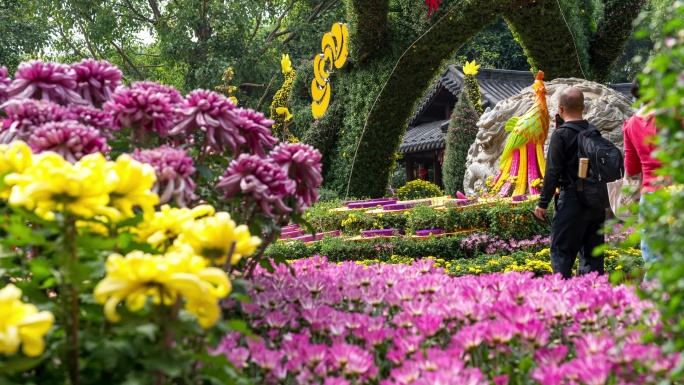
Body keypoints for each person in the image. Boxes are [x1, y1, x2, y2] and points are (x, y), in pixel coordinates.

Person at [534, 87, 605, 279]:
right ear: (583, 107)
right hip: (595, 202)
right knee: (593, 255)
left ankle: (563, 299)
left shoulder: (561, 134)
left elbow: (553, 172)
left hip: (572, 199)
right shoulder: (594, 132)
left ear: (560, 109)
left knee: (562, 252)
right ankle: (594, 299)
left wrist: (542, 203)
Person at [622, 78, 664, 277]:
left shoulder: (630, 124)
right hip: (676, 192)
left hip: (650, 196)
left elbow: (631, 168)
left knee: (654, 260)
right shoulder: (673, 117)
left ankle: (652, 305)